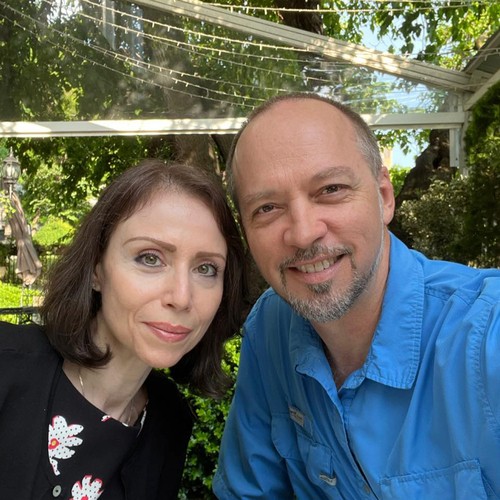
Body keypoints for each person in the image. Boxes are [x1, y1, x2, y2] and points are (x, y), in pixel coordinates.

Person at [213, 93, 500, 499]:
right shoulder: (270, 329)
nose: (303, 233)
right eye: (267, 208)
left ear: (384, 196)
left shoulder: (486, 338)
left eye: (330, 189)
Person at [0, 159, 246, 499]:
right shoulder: (7, 365)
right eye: (150, 258)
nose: (181, 297)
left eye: (206, 268)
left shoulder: (169, 422)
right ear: (96, 268)